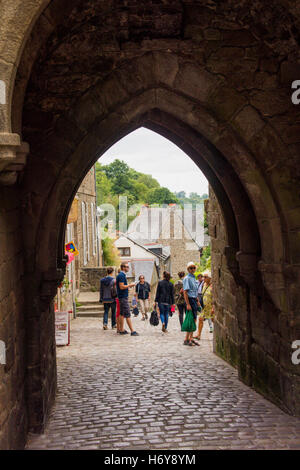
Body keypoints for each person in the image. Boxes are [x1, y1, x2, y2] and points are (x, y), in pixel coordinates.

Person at [116, 262, 139, 336]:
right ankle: (132, 331)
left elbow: (122, 287)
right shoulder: (121, 275)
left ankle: (121, 329)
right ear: (123, 267)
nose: (128, 268)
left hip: (122, 296)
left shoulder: (121, 275)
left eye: (128, 267)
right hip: (123, 297)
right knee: (128, 314)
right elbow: (121, 286)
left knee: (122, 314)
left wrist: (128, 287)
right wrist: (130, 285)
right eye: (126, 267)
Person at [183, 262, 201, 346]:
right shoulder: (187, 278)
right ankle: (188, 339)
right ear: (188, 269)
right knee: (191, 319)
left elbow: (195, 291)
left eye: (194, 268)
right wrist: (188, 304)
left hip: (194, 299)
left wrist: (197, 301)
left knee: (193, 319)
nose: (193, 269)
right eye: (191, 268)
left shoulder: (194, 278)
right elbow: (185, 292)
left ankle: (188, 338)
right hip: (189, 300)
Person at [194, 270, 213, 339]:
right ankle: (198, 335)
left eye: (205, 277)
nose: (203, 278)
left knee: (214, 320)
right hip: (204, 307)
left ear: (210, 278)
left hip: (210, 307)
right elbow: (202, 294)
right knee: (200, 319)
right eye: (203, 277)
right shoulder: (204, 285)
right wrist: (199, 301)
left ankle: (218, 335)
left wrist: (213, 308)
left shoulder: (212, 286)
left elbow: (215, 297)